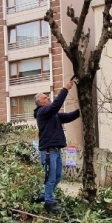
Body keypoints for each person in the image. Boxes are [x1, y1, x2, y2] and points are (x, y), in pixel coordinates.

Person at [34, 81, 80, 212]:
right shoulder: (42, 112)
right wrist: (65, 88)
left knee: (58, 176)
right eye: (45, 97)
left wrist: (80, 110)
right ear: (40, 102)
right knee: (50, 177)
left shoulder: (53, 115)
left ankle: (44, 196)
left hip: (56, 150)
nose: (48, 98)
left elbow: (68, 116)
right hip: (48, 151)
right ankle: (49, 202)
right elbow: (56, 105)